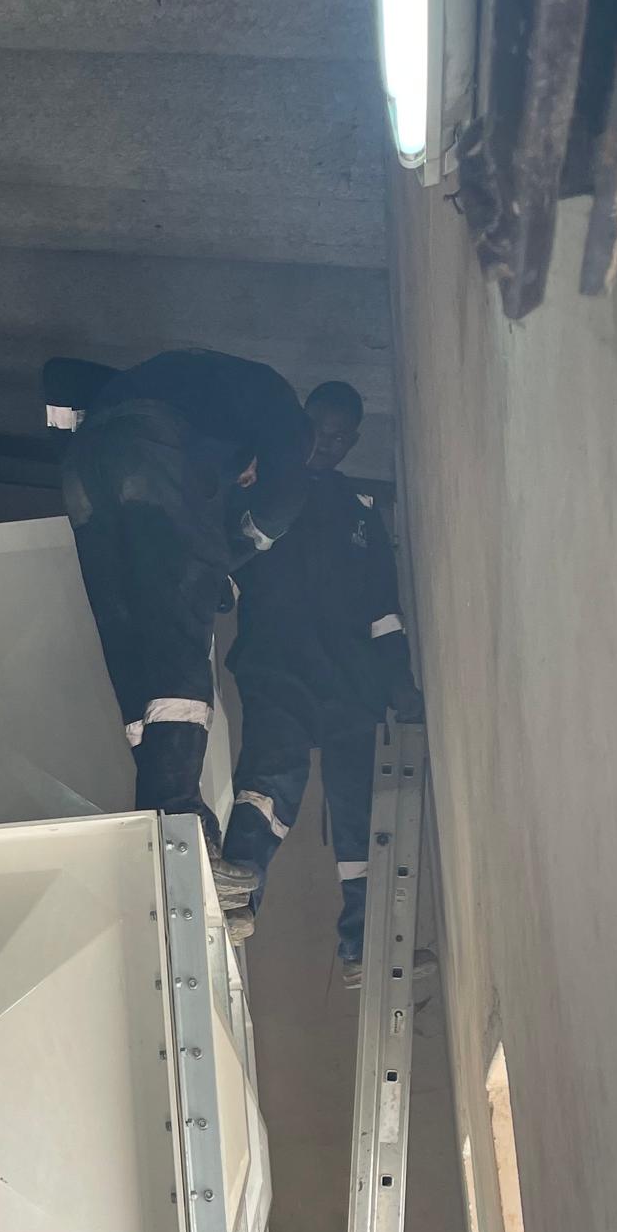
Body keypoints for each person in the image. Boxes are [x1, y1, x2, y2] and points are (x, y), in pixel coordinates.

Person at [49, 350, 312, 840]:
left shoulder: (188, 381)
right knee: (179, 638)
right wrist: (235, 552)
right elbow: (284, 497)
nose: (243, 480)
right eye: (248, 477)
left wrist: (66, 442)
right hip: (151, 457)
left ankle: (157, 794)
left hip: (85, 469)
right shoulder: (280, 406)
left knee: (128, 635)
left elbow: (60, 374)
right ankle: (175, 808)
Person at [215, 380, 417, 976]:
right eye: (318, 430)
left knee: (360, 813)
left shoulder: (360, 514)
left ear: (352, 441)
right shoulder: (265, 487)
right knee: (271, 780)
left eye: (339, 436)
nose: (326, 443)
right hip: (277, 668)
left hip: (351, 684)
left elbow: (383, 610)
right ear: (301, 423)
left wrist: (399, 681)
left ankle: (363, 947)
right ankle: (232, 906)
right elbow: (227, 563)